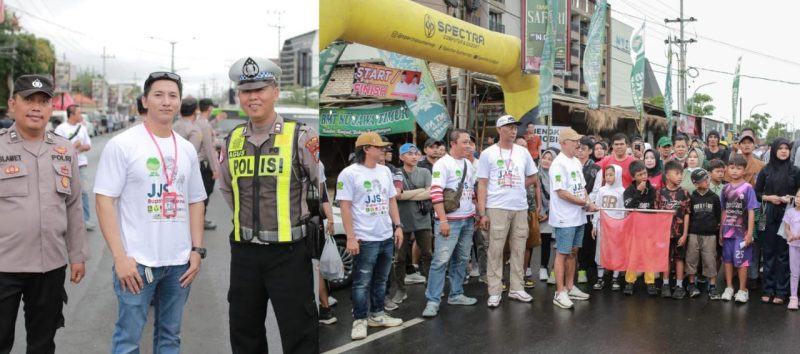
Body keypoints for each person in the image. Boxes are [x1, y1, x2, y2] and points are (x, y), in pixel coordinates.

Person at [95, 72, 207, 353]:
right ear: (145, 101)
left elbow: (196, 200)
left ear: (179, 102)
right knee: (127, 341)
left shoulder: (186, 149)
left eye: (172, 95)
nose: (166, 101)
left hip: (179, 264)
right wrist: (120, 257)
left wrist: (196, 250)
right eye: (158, 95)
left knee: (170, 338)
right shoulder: (122, 144)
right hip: (137, 263)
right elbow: (104, 201)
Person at [219, 57, 320, 352]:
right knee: (244, 333)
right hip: (244, 253)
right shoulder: (232, 140)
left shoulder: (301, 136)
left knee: (300, 335)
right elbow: (227, 189)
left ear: (275, 92)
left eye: (260, 89)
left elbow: (321, 186)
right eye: (246, 91)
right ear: (239, 96)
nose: (253, 97)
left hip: (289, 253)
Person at [0, 74, 89, 354]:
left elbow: (73, 205)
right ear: (13, 104)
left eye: (43, 101)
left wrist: (77, 255)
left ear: (52, 108)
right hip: (4, 266)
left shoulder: (65, 149)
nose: (36, 107)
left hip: (49, 266)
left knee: (42, 343)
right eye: (29, 100)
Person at [337, 132, 404, 340]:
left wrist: (398, 226)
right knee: (361, 282)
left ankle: (377, 314)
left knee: (381, 280)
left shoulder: (385, 171)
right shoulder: (349, 174)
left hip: (385, 235)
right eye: (380, 147)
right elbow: (345, 207)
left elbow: (391, 200)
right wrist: (350, 237)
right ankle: (359, 319)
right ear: (366, 149)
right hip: (365, 238)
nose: (384, 150)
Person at [477, 115, 540, 307]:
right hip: (496, 207)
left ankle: (517, 288)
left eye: (515, 128)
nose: (513, 131)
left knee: (519, 248)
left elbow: (533, 176)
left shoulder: (523, 152)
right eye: (509, 127)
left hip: (520, 207)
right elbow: (482, 183)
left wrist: (519, 184)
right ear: (499, 130)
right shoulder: (488, 153)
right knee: (495, 250)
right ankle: (495, 291)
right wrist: (482, 213)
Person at [423, 129, 479, 317]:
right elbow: (436, 193)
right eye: (464, 142)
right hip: (449, 221)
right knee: (441, 261)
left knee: (462, 259)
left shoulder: (468, 164)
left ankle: (456, 293)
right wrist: (443, 220)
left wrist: (477, 213)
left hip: (467, 219)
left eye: (469, 142)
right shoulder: (442, 164)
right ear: (453, 144)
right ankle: (433, 300)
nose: (468, 146)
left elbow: (470, 192)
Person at [548, 128, 596, 309]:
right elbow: (561, 192)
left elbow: (582, 187)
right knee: (562, 253)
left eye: (578, 140)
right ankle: (559, 292)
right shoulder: (558, 164)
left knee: (573, 252)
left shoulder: (576, 161)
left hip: (578, 216)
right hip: (564, 218)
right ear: (563, 143)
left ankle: (570, 287)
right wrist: (585, 203)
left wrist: (588, 202)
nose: (578, 144)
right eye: (574, 141)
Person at [755, 138, 800, 304]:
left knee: (783, 252)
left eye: (786, 148)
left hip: (789, 214)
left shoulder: (795, 171)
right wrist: (769, 197)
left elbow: (799, 193)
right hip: (769, 213)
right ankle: (768, 289)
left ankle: (781, 291)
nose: (783, 151)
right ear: (774, 150)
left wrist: (791, 198)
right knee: (768, 252)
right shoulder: (765, 170)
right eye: (780, 148)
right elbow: (757, 193)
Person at [392, 143, 433, 306]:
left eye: (416, 153)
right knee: (400, 258)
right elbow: (396, 196)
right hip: (402, 220)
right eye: (409, 154)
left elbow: (430, 192)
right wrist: (420, 191)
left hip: (423, 220)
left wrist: (406, 194)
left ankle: (431, 286)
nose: (414, 156)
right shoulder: (397, 173)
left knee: (428, 254)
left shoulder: (425, 172)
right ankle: (400, 289)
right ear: (401, 157)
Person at [720, 155, 759, 303]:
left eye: (738, 168)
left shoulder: (748, 188)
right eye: (732, 167)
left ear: (744, 170)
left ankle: (743, 290)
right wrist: (721, 231)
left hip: (741, 233)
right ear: (727, 169)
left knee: (742, 261)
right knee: (728, 260)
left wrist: (749, 233)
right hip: (728, 231)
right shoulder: (725, 188)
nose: (735, 171)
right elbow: (724, 210)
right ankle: (729, 287)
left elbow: (751, 211)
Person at [54, 104, 95, 231]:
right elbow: (56, 148)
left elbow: (88, 145)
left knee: (84, 192)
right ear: (71, 114)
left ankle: (86, 220)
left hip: (80, 164)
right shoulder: (61, 129)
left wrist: (82, 147)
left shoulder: (82, 128)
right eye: (79, 113)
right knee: (65, 192)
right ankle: (64, 221)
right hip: (65, 165)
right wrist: (73, 146)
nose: (81, 115)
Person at [656, 160, 691, 299]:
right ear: (667, 175)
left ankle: (679, 285)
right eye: (677, 173)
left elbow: (687, 214)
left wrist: (685, 234)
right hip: (664, 233)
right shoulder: (660, 193)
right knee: (665, 258)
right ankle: (665, 284)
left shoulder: (684, 193)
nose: (680, 176)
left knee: (679, 258)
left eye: (681, 173)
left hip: (679, 233)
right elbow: (656, 214)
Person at [686, 169, 722, 299]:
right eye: (703, 180)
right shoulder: (692, 198)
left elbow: (718, 216)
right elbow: (689, 216)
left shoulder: (714, 197)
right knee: (691, 259)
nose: (707, 181)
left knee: (710, 260)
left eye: (707, 178)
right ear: (695, 184)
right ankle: (691, 284)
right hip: (693, 234)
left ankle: (712, 286)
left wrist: (717, 231)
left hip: (710, 235)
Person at [591, 165, 624, 290]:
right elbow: (597, 208)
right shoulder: (602, 190)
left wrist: (622, 225)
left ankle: (615, 278)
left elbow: (623, 211)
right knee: (600, 251)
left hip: (616, 227)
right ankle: (600, 278)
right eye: (607, 175)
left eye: (611, 174)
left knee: (616, 250)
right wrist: (594, 224)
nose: (608, 177)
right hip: (603, 226)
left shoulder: (622, 191)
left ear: (618, 175)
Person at [578, 136, 601, 284]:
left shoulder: (596, 169)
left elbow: (596, 190)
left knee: (587, 239)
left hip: (588, 208)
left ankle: (584, 268)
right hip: (572, 207)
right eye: (578, 148)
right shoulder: (571, 164)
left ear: (590, 151)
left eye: (584, 149)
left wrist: (585, 202)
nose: (580, 151)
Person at [197, 98, 222, 230]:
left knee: (202, 193)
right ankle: (200, 220)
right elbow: (208, 148)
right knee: (205, 193)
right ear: (210, 108)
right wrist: (215, 168)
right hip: (205, 164)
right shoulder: (205, 124)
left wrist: (216, 121)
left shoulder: (199, 121)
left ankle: (199, 219)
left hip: (200, 164)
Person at [538, 148, 559, 283]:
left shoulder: (557, 176)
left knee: (557, 243)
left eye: (550, 159)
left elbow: (559, 195)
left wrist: (549, 212)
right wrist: (541, 212)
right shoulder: (535, 175)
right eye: (544, 158)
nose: (546, 161)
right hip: (541, 213)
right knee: (544, 241)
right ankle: (542, 267)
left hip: (555, 213)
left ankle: (554, 269)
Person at [781, 188, 800, 310]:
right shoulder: (790, 212)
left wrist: (797, 236)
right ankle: (793, 297)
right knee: (794, 272)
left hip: (796, 240)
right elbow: (786, 228)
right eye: (797, 196)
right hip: (793, 245)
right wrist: (789, 235)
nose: (798, 199)